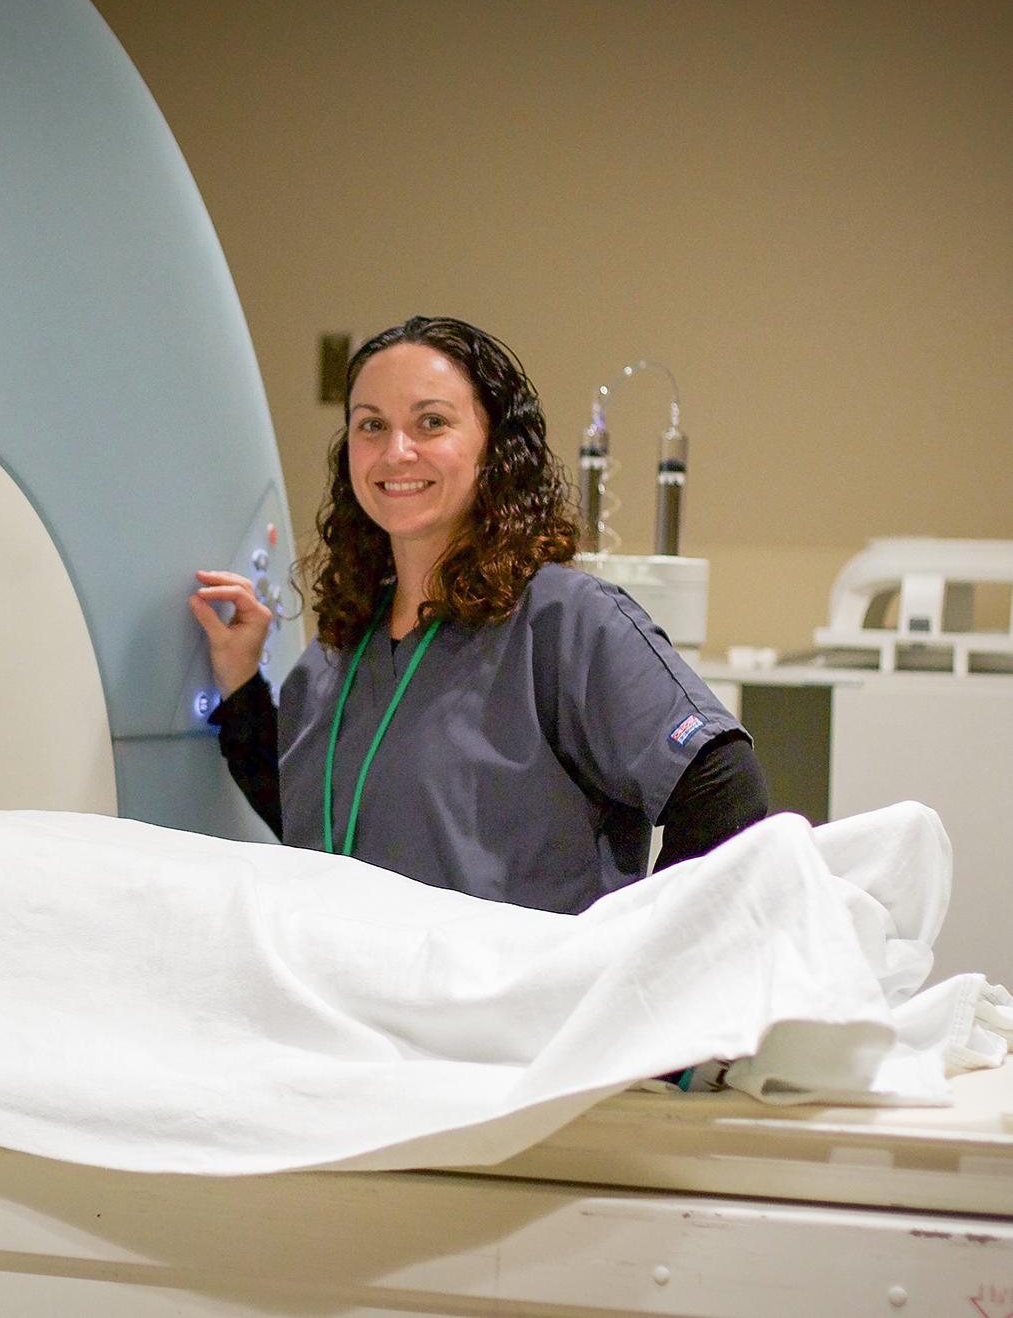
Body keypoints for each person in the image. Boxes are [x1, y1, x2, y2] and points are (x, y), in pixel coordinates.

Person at [190, 316, 768, 914]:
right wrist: (238, 683)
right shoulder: (340, 652)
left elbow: (722, 789)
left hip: (518, 999)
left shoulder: (561, 622)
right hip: (358, 996)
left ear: (494, 445)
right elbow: (315, 819)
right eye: (372, 426)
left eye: (431, 422)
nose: (397, 451)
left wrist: (630, 953)